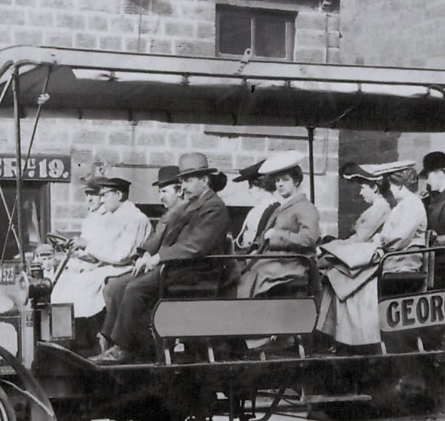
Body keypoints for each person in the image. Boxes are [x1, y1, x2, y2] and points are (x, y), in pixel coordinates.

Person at [96, 153, 230, 363]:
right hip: (178, 268)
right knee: (117, 285)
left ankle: (125, 348)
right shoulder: (190, 204)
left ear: (205, 180)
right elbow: (164, 232)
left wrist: (159, 258)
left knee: (135, 288)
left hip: (197, 273)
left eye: (188, 180)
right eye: (182, 181)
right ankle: (121, 344)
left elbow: (195, 246)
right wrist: (147, 253)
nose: (183, 186)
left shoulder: (214, 207)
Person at [317, 162, 427, 347]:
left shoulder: (413, 205)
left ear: (400, 185)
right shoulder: (402, 205)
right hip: (392, 256)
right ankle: (344, 333)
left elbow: (398, 238)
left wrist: (378, 241)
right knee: (341, 272)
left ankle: (359, 336)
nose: (389, 191)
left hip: (402, 259)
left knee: (349, 275)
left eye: (391, 186)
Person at [51, 174, 152, 349]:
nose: (102, 200)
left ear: (118, 195)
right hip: (112, 265)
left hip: (129, 266)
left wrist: (88, 246)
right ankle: (76, 336)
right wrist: (82, 252)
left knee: (84, 284)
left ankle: (96, 338)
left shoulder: (135, 218)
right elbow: (104, 251)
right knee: (70, 281)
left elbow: (122, 255)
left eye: (104, 195)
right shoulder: (117, 216)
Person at [237, 151, 320, 299]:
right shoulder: (280, 207)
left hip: (294, 261)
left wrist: (277, 235)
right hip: (277, 258)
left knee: (255, 275)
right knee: (243, 271)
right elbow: (266, 233)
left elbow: (309, 238)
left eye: (285, 180)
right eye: (277, 180)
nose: (280, 184)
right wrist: (256, 248)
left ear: (296, 181)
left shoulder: (306, 207)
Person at [232, 159, 279, 252]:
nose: (249, 190)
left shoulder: (273, 208)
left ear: (262, 185)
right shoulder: (257, 209)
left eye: (251, 186)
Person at [342, 163, 392, 243]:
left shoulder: (380, 209)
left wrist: (338, 244)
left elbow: (360, 239)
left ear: (374, 188)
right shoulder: (377, 208)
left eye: (363, 188)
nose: (360, 193)